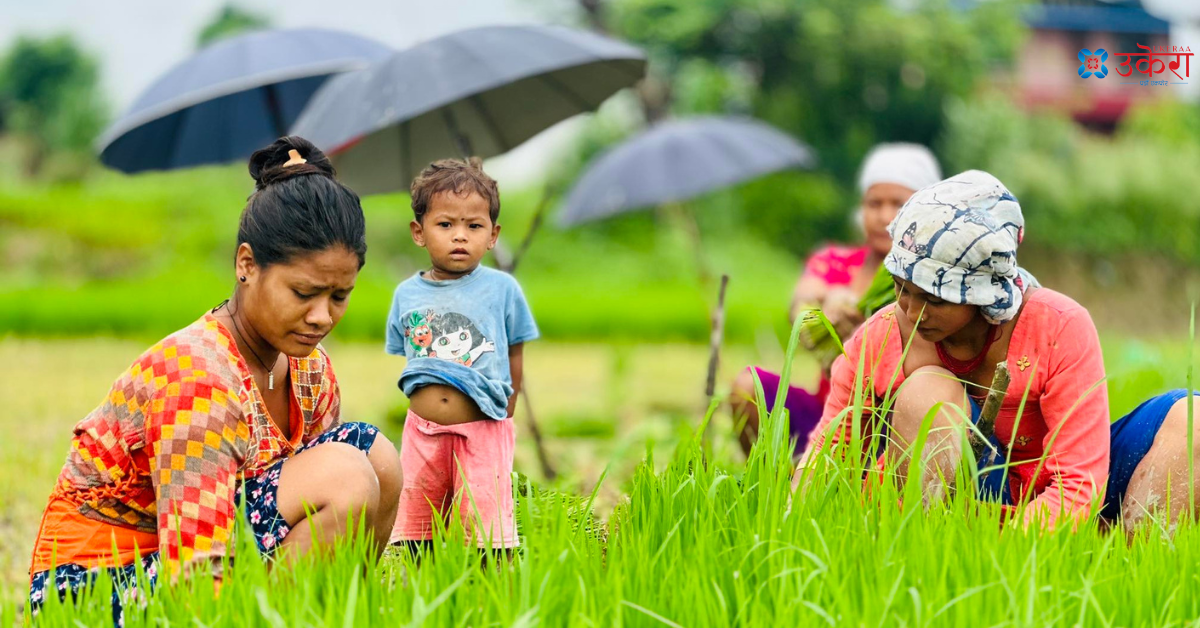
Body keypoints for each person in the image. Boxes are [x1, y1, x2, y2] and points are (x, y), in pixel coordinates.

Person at [27, 137, 403, 623]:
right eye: (304, 292)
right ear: (247, 264)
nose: (320, 316)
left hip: (204, 557)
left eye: (339, 296)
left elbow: (323, 536)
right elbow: (197, 578)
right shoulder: (198, 382)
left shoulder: (311, 369)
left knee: (377, 458)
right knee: (346, 477)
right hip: (95, 594)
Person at [794, 170, 1200, 533]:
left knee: (1194, 420)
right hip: (978, 501)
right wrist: (788, 523)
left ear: (984, 295)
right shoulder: (881, 337)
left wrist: (1012, 550)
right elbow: (828, 457)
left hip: (1072, 503)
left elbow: (1079, 482)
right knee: (925, 393)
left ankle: (1128, 568)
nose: (912, 312)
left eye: (935, 299)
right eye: (902, 289)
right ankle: (925, 547)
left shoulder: (1058, 325)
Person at [730, 143, 941, 456]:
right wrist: (823, 310)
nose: (884, 216)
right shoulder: (836, 262)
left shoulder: (935, 277)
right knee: (748, 388)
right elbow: (799, 304)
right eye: (874, 203)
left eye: (898, 204)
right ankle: (782, 487)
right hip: (829, 415)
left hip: (893, 424)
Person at [386, 157, 538, 551]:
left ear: (493, 235)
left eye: (474, 226)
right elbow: (411, 355)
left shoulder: (502, 289)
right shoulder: (407, 294)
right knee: (419, 528)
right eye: (446, 224)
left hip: (483, 426)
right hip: (422, 430)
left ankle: (489, 595)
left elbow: (515, 348)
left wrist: (511, 404)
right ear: (418, 232)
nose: (460, 236)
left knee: (486, 530)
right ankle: (427, 593)